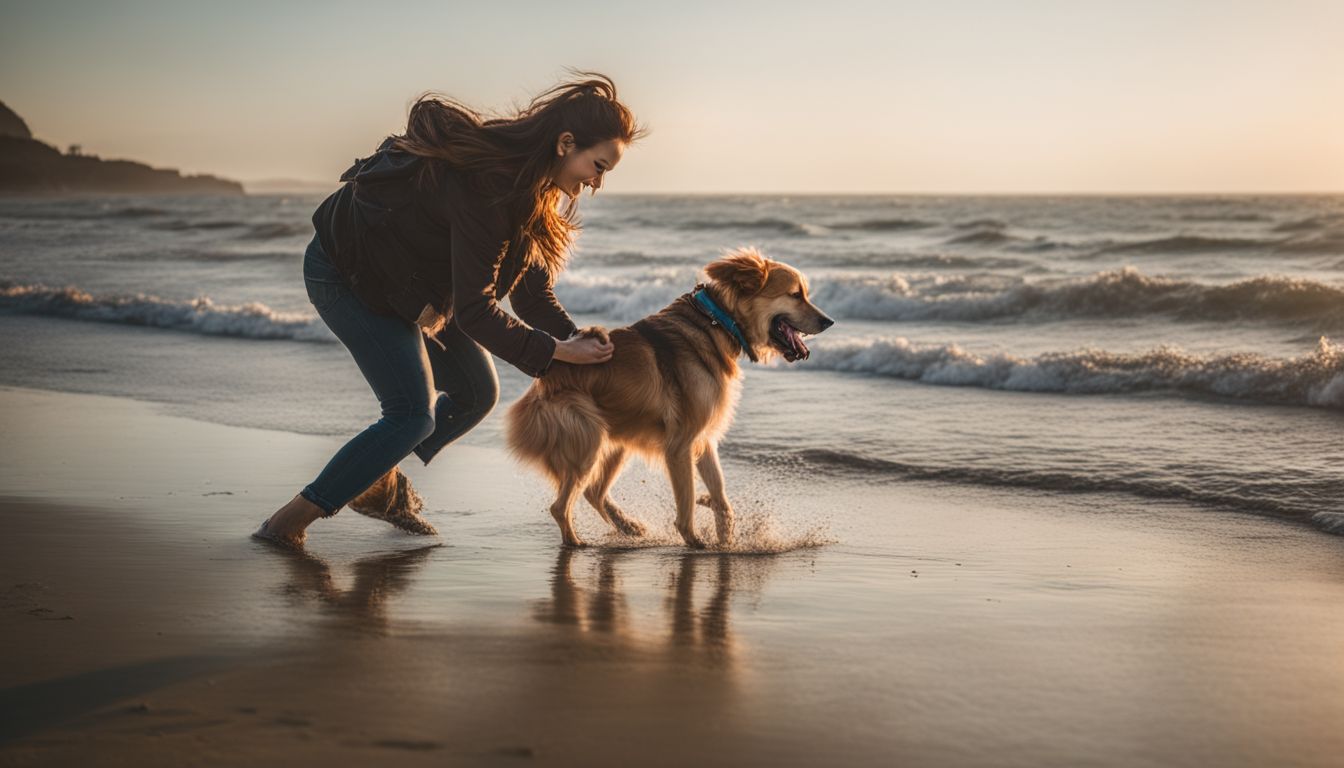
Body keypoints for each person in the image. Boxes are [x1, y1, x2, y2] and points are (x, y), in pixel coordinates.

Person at [254, 74, 643, 548]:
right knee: (412, 415)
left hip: (412, 285)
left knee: (478, 392)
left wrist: (583, 345)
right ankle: (288, 522)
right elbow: (477, 313)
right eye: (597, 165)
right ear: (565, 143)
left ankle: (376, 476)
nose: (596, 182)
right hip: (345, 271)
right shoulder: (491, 187)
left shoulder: (534, 191)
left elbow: (529, 296)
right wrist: (558, 352)